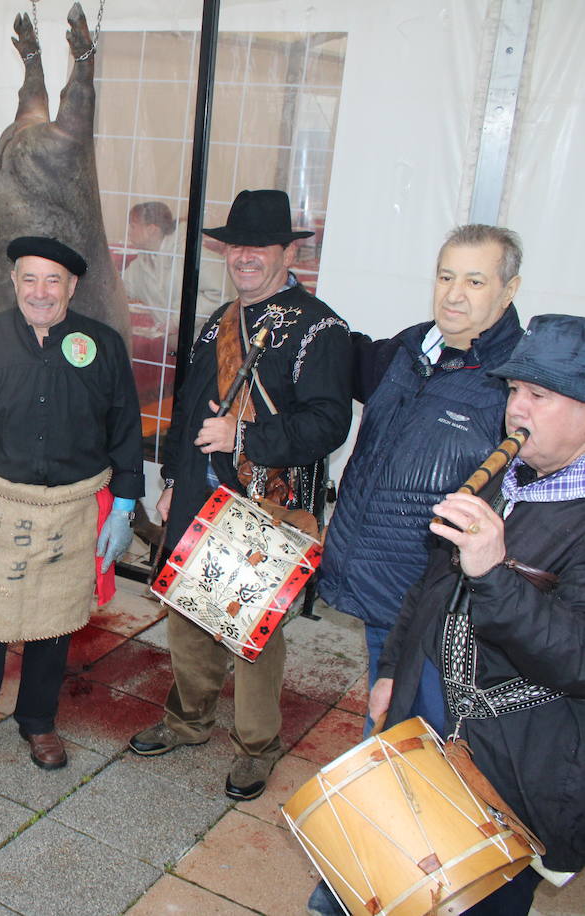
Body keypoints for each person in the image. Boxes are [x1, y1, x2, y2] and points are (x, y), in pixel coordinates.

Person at [128, 189, 353, 802]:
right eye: (238, 246)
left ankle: (258, 744)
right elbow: (186, 412)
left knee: (253, 627)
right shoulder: (216, 321)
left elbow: (331, 423)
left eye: (260, 247)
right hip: (198, 495)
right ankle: (189, 719)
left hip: (267, 500)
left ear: (287, 252)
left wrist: (245, 434)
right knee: (189, 611)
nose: (246, 257)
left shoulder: (321, 328)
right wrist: (171, 481)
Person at [367, 314, 585, 915]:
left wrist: (493, 571)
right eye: (515, 391)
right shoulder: (502, 477)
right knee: (396, 875)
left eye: (539, 395)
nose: (518, 409)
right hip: (428, 714)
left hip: (512, 763)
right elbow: (429, 583)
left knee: (481, 901)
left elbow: (575, 659)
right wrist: (393, 669)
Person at [0, 236, 144, 782]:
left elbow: (124, 427)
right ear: (14, 283)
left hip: (71, 511)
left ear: (72, 287)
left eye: (54, 280)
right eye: (30, 279)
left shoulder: (103, 344)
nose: (40, 291)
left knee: (54, 623)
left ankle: (38, 720)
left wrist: (123, 507)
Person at [319, 224, 524, 726]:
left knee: (421, 738)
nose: (453, 295)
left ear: (509, 290)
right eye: (445, 276)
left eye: (475, 282)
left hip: (444, 603)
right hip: (376, 582)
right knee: (388, 721)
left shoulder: (516, 383)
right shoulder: (404, 353)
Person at [122, 200, 177, 309]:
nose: (129, 232)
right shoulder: (140, 263)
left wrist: (175, 321)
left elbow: (217, 292)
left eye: (133, 226)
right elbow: (122, 291)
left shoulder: (184, 255)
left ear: (151, 229)